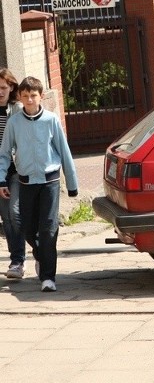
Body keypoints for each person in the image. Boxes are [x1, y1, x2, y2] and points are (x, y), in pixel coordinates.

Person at [0, 77, 78, 293]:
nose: (30, 100)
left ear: (41, 96)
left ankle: (48, 277)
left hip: (49, 181)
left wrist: (72, 184)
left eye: (33, 96)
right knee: (26, 228)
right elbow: (5, 154)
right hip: (26, 183)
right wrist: (1, 179)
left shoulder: (51, 120)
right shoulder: (14, 123)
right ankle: (41, 255)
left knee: (48, 228)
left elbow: (64, 152)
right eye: (25, 96)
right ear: (20, 97)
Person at [0, 69, 25, 280]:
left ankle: (20, 260)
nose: (0, 92)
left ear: (11, 88)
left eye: (3, 88)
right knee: (6, 219)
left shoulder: (17, 110)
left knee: (15, 214)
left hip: (15, 171)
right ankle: (15, 261)